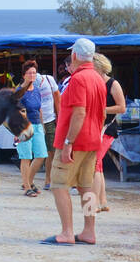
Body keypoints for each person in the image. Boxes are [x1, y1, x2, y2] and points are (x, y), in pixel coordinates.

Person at [43, 38, 106, 246]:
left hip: (74, 140)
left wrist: (68, 142)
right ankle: (89, 231)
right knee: (86, 187)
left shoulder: (78, 79)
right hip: (92, 140)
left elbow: (79, 112)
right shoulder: (98, 78)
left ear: (75, 55)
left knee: (59, 185)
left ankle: (67, 232)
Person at [91, 52, 126, 213]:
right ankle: (103, 202)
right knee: (98, 166)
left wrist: (103, 109)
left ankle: (96, 203)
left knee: (95, 164)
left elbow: (121, 107)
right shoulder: (93, 82)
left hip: (107, 128)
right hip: (95, 127)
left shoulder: (113, 84)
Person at [13, 62, 49, 196]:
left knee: (41, 155)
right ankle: (27, 186)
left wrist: (42, 126)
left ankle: (29, 181)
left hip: (37, 125)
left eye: (34, 73)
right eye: (29, 73)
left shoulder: (37, 90)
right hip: (24, 127)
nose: (32, 75)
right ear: (24, 75)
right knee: (26, 157)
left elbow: (39, 109)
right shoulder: (19, 92)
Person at [36, 62, 62, 192]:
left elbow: (57, 98)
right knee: (37, 152)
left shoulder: (48, 79)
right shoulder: (28, 84)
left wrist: (60, 117)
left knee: (51, 151)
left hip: (50, 119)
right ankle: (28, 180)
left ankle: (48, 179)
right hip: (35, 121)